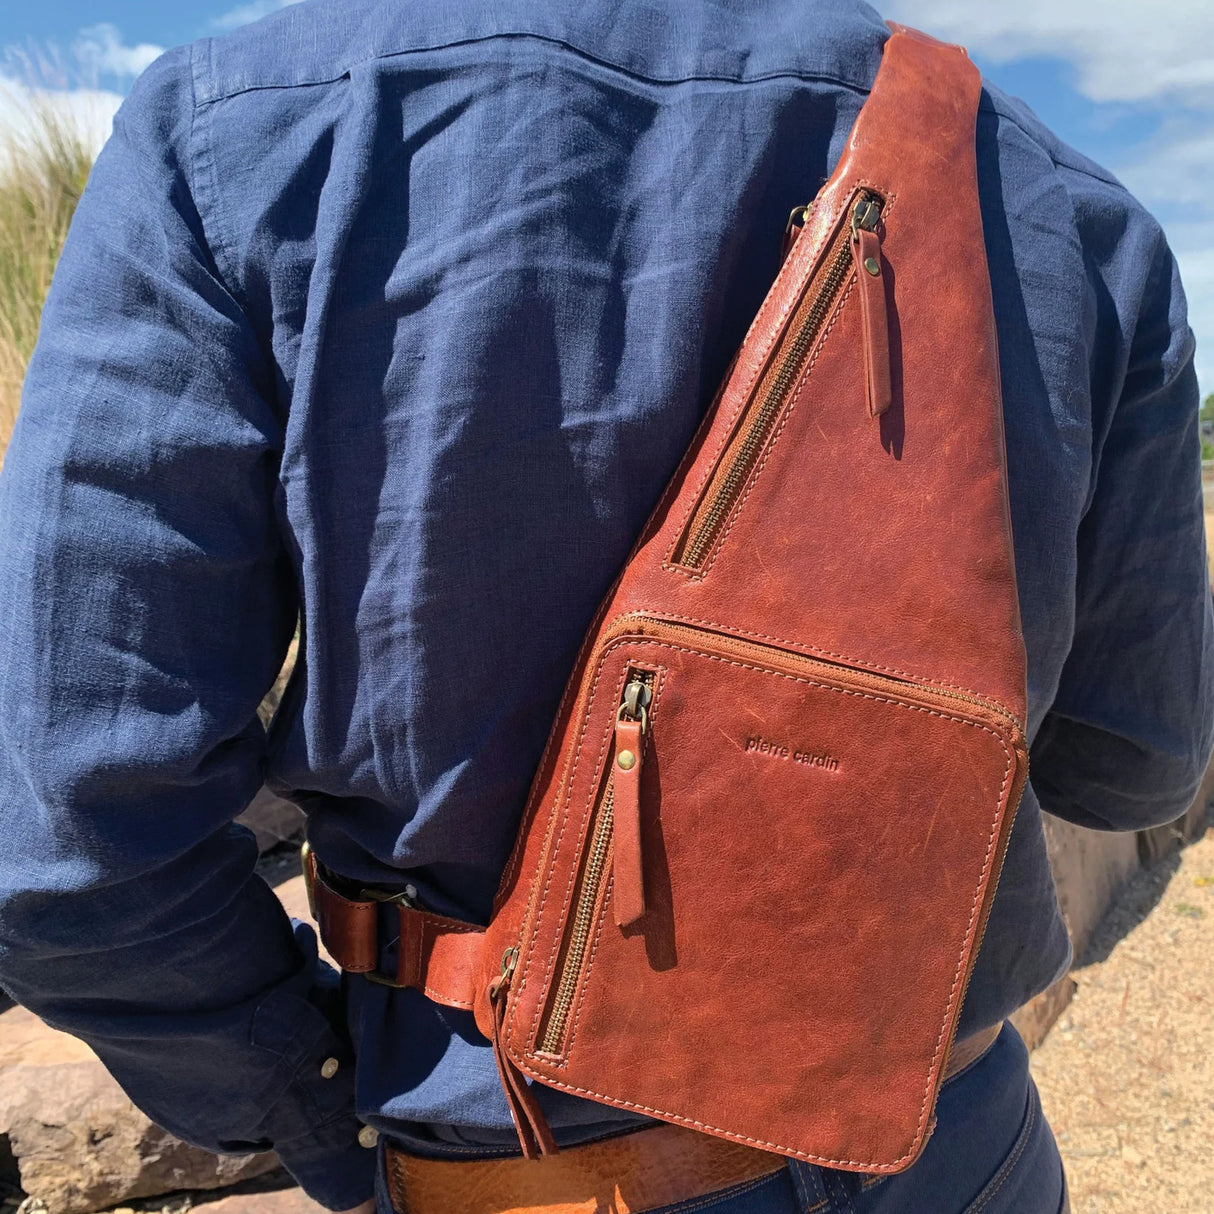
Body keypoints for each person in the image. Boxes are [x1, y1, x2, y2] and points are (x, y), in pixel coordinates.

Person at [0, 2, 1210, 1212]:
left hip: (531, 1173)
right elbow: (1130, 767)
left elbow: (76, 847)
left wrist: (319, 1113)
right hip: (953, 1142)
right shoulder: (1071, 214)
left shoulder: (238, 133)